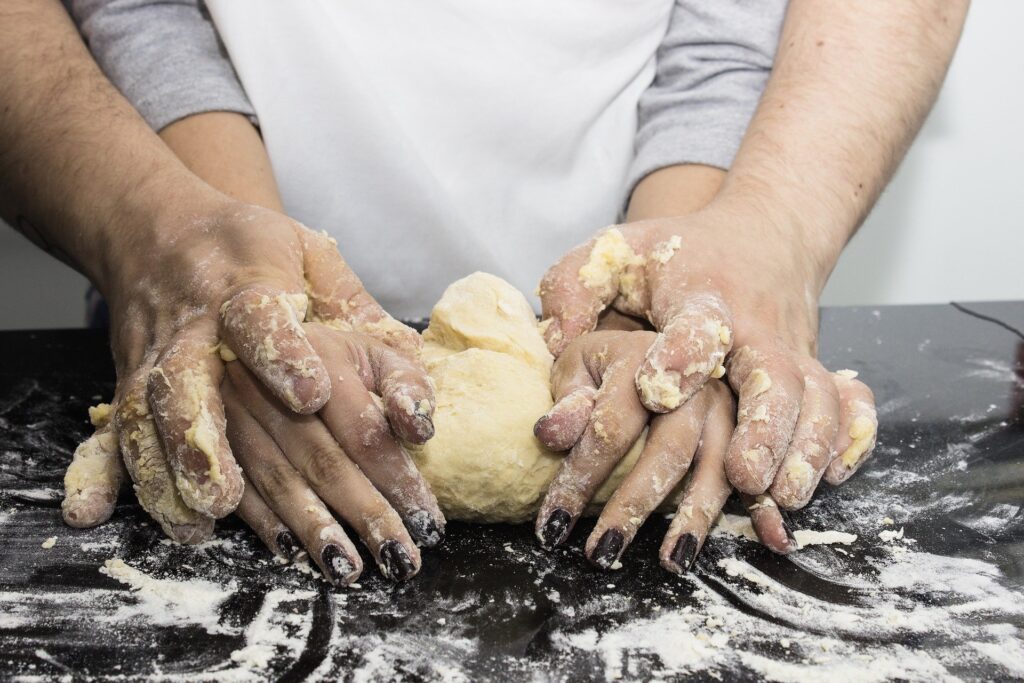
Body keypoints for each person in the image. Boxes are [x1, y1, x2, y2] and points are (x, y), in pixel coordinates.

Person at [0, 0, 968, 584]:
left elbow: (730, 27)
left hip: (680, 250)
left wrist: (726, 250)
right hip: (196, 214)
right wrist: (196, 243)